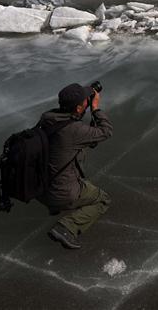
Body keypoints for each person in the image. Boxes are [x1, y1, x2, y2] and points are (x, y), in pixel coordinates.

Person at [40, 83, 113, 250]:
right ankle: (66, 228)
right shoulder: (74, 130)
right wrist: (95, 109)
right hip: (61, 193)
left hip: (40, 188)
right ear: (79, 108)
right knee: (103, 199)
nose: (88, 101)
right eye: (85, 100)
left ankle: (55, 206)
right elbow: (106, 131)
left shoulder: (48, 118)